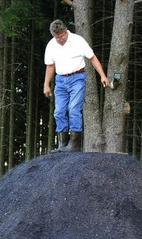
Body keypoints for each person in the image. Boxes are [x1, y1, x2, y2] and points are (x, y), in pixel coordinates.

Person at [43, 19, 109, 152]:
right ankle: (62, 144)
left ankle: (75, 144)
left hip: (77, 78)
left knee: (73, 108)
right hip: (60, 80)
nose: (60, 39)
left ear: (66, 31)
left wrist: (102, 75)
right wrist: (46, 85)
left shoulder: (78, 41)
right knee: (59, 111)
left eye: (62, 36)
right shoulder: (51, 45)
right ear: (53, 36)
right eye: (57, 38)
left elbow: (93, 58)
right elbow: (50, 66)